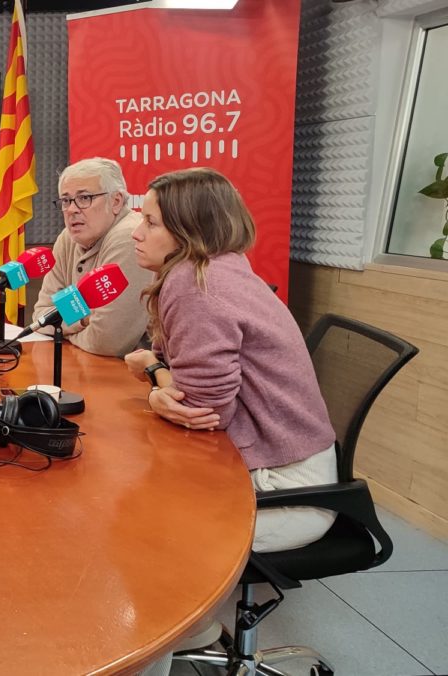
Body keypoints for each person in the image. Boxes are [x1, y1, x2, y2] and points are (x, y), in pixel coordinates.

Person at [124, 168, 338, 675]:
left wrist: (154, 376)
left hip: (290, 489)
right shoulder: (218, 267)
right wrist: (159, 375)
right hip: (278, 463)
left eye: (151, 223)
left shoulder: (196, 283)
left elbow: (203, 411)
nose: (136, 232)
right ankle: (191, 630)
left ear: (189, 232)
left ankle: (159, 644)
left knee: (141, 534)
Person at [32, 158, 154, 357]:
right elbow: (42, 316)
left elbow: (107, 342)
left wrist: (64, 329)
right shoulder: (68, 238)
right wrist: (84, 319)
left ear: (116, 202)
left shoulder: (130, 237)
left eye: (84, 198)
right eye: (66, 200)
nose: (72, 209)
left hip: (137, 377)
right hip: (87, 363)